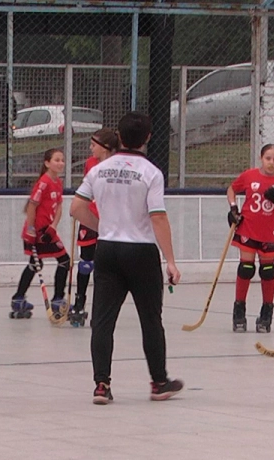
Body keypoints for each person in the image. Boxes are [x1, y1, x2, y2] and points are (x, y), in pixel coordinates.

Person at [70, 112, 184, 405]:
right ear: (147, 138)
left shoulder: (100, 170)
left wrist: (104, 227)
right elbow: (158, 217)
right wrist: (170, 260)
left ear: (118, 137)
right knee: (150, 319)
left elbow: (76, 208)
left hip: (107, 248)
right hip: (141, 251)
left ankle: (101, 384)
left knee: (103, 321)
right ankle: (159, 382)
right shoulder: (151, 173)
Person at [226, 143, 274, 333]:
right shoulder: (250, 175)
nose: (271, 162)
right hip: (248, 228)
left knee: (267, 271)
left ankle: (266, 313)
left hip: (268, 232)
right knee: (246, 268)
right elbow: (231, 189)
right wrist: (233, 208)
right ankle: (239, 312)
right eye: (268, 158)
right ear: (261, 158)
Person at [10, 148, 71, 318]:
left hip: (48, 230)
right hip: (37, 231)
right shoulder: (43, 183)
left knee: (38, 263)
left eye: (62, 160)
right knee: (62, 260)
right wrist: (30, 231)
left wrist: (54, 226)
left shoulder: (58, 182)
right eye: (56, 160)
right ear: (47, 163)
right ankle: (58, 299)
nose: (60, 163)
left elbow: (59, 206)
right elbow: (32, 206)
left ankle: (18, 298)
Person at [69, 128, 120, 327]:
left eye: (93, 145)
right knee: (86, 261)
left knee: (104, 265)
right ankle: (79, 302)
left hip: (109, 218)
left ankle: (101, 305)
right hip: (91, 216)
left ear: (105, 147)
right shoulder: (91, 164)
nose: (90, 148)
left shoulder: (117, 164)